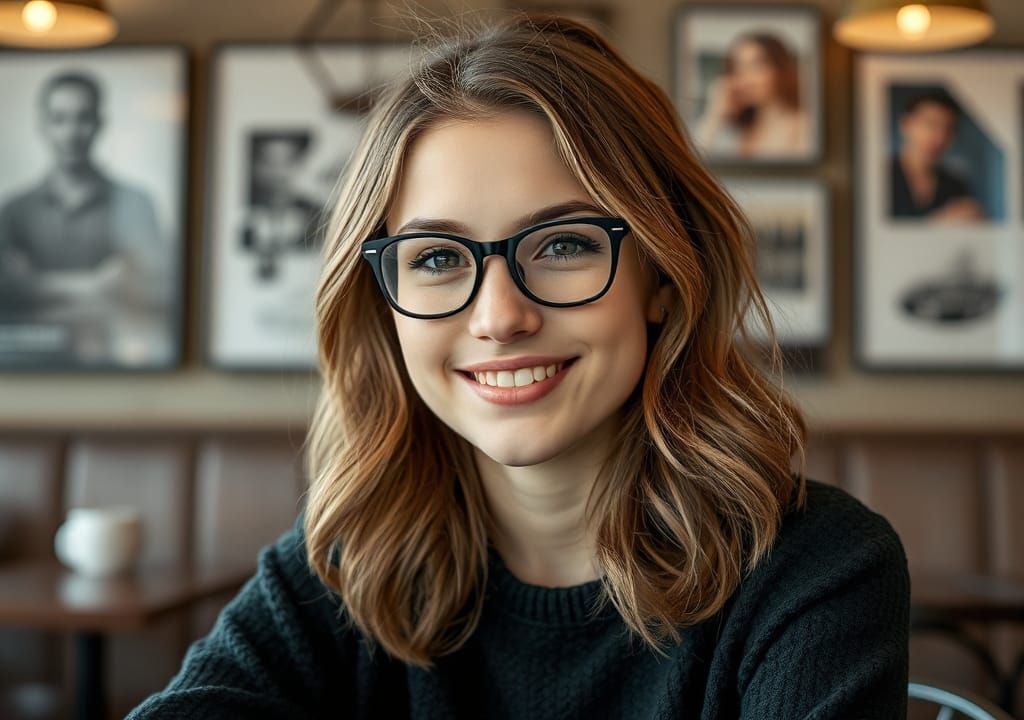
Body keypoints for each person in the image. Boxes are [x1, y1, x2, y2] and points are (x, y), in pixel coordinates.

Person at [128, 11, 909, 719]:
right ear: (384, 303)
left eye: (564, 245)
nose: (500, 317)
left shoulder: (816, 570)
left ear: (666, 278)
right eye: (436, 257)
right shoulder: (349, 561)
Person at [0, 70, 171, 363]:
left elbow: (153, 287)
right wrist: (93, 284)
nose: (71, 133)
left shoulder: (135, 203)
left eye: (83, 118)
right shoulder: (15, 210)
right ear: (42, 126)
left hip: (117, 360)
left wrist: (37, 284)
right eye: (59, 119)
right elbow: (8, 287)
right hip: (29, 364)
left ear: (99, 124)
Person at [693, 31, 811, 159]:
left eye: (756, 66)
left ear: (780, 70)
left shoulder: (803, 125)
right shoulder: (734, 128)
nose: (745, 79)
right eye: (738, 67)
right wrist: (714, 115)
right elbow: (692, 163)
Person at [240, 131, 323, 282]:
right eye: (267, 162)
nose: (277, 172)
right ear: (256, 166)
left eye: (287, 161)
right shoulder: (246, 219)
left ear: (301, 164)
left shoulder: (316, 213)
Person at [890, 91, 985, 221]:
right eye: (931, 124)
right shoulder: (879, 177)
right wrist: (935, 224)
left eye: (948, 128)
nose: (940, 137)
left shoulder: (956, 185)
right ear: (905, 124)